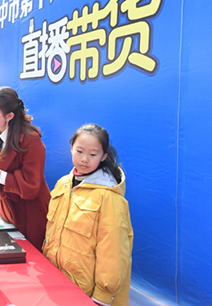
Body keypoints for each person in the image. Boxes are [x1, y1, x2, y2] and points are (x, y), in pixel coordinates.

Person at [42, 124, 133, 306]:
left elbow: (113, 252)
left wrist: (102, 297)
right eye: (79, 151)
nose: (84, 159)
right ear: (71, 149)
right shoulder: (64, 184)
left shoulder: (109, 197)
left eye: (93, 154)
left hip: (85, 293)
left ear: (103, 156)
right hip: (56, 281)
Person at [0, 86, 50, 250]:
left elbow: (31, 186)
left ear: (10, 116)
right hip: (7, 211)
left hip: (30, 214)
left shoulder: (31, 140)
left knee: (31, 260)